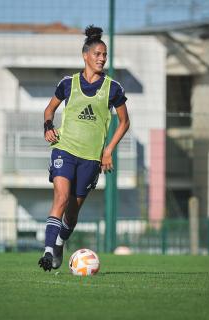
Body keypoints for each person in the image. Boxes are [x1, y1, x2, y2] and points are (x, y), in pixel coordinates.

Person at [38, 25, 130, 271]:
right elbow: (49, 110)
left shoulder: (113, 88)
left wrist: (108, 150)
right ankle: (48, 253)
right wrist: (48, 126)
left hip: (91, 158)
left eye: (105, 55)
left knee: (73, 212)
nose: (102, 59)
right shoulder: (68, 83)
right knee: (61, 197)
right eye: (98, 54)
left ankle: (59, 243)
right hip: (64, 149)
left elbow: (124, 122)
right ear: (85, 55)